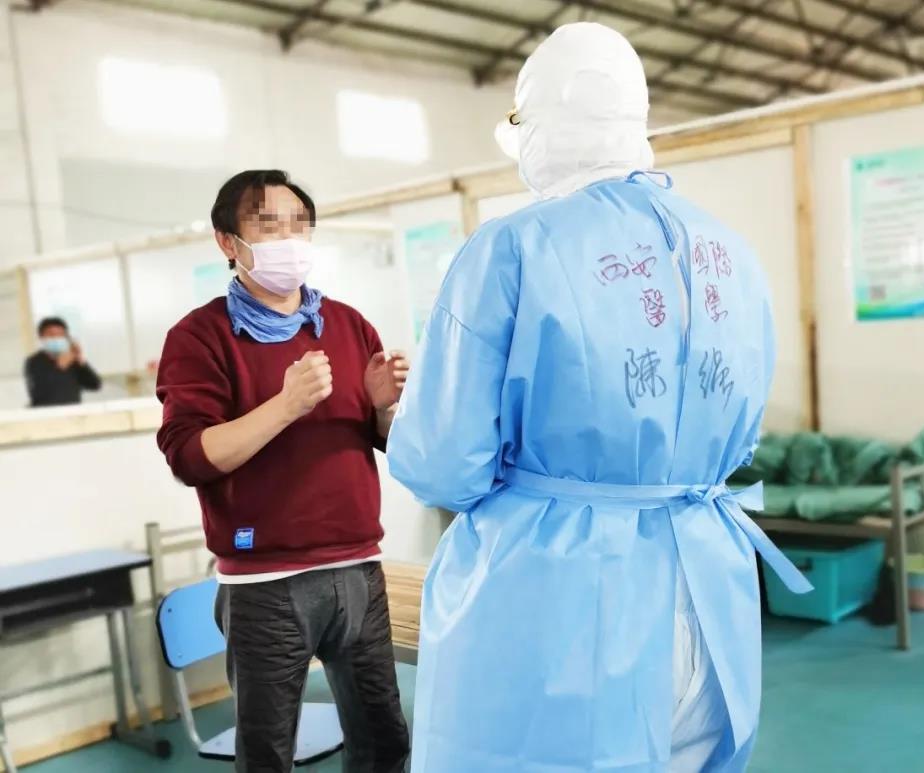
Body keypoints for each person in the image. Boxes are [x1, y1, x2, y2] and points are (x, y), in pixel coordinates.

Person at [387, 23, 811, 773]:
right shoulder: (728, 251)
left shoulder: (510, 249)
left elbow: (443, 464)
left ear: (542, 120)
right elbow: (740, 434)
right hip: (706, 590)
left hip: (567, 604)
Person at [156, 169, 411, 773]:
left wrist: (383, 408)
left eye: (300, 225)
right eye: (269, 225)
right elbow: (190, 456)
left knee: (385, 739)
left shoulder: (346, 324)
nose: (289, 239)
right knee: (268, 752)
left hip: (358, 567)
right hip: (265, 582)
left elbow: (380, 441)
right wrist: (286, 405)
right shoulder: (199, 336)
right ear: (228, 241)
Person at [24, 317, 102, 407]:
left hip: (73, 411)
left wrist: (80, 360)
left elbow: (95, 385)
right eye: (51, 334)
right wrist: (60, 368)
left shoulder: (72, 360)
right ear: (41, 337)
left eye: (61, 335)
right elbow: (38, 393)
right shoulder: (34, 361)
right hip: (46, 413)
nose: (56, 338)